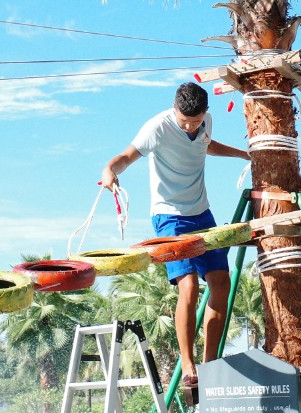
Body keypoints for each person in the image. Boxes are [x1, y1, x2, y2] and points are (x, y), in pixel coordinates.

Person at [100, 82, 250, 387]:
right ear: (174, 108)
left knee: (222, 281)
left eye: (195, 121)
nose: (189, 126)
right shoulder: (157, 127)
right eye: (184, 120)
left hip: (202, 213)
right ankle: (187, 361)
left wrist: (242, 154)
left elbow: (206, 145)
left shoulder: (205, 121)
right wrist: (109, 172)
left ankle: (210, 362)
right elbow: (126, 157)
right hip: (169, 217)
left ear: (205, 113)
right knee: (190, 286)